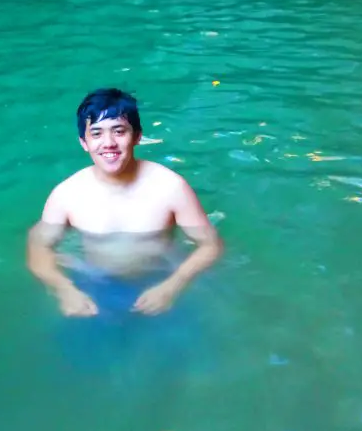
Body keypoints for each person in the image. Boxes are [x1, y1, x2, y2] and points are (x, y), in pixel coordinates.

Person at [26, 87, 224, 320]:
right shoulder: (67, 195)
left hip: (161, 279)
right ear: (84, 142)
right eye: (97, 133)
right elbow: (38, 246)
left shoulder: (171, 188)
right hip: (93, 286)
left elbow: (210, 245)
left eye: (119, 131)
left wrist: (173, 286)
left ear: (137, 136)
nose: (108, 143)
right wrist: (64, 289)